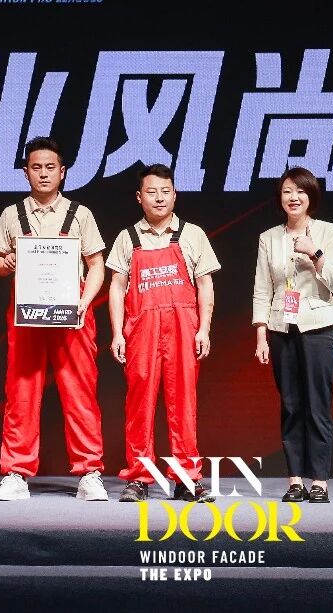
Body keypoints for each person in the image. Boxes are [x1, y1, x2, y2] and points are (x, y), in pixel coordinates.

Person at [0, 137, 108, 502]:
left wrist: (84, 302)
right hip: (27, 315)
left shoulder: (80, 214)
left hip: (72, 315)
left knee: (80, 392)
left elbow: (96, 265)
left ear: (63, 171)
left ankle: (89, 472)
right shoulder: (12, 214)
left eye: (50, 167)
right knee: (21, 393)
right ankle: (16, 473)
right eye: (36, 167)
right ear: (26, 172)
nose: (43, 173)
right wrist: (6, 262)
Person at [107, 163, 219, 503]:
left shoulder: (192, 234)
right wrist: (117, 334)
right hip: (141, 330)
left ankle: (187, 478)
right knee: (139, 404)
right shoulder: (127, 238)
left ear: (175, 194)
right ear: (139, 197)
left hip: (183, 328)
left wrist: (204, 329)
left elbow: (205, 284)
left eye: (165, 191)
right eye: (152, 192)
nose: (159, 198)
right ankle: (138, 478)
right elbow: (116, 287)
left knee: (183, 402)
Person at [251, 166, 333, 505]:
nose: (293, 197)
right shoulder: (268, 238)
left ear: (311, 196)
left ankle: (319, 481)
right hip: (281, 327)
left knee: (317, 405)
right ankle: (295, 480)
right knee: (290, 405)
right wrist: (261, 335)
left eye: (300, 191)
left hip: (319, 326)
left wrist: (314, 253)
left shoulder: (329, 233)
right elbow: (262, 289)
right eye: (287, 191)